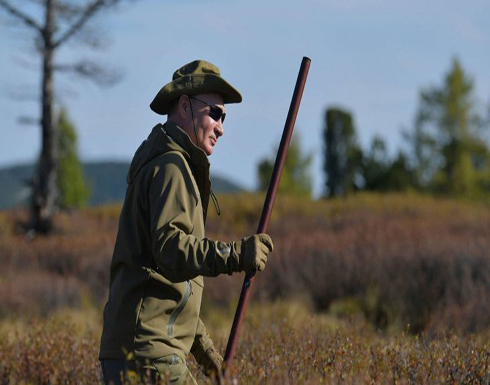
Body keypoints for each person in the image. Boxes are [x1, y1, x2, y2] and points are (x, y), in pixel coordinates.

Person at [99, 60, 274, 384]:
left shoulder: (166, 164)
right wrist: (236, 255)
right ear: (184, 105)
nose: (221, 127)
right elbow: (170, 250)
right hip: (150, 351)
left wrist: (207, 356)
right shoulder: (172, 168)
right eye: (215, 114)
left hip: (133, 348)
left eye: (224, 117)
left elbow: (170, 285)